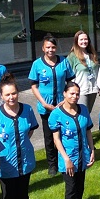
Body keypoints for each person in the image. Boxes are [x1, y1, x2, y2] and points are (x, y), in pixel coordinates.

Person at [47, 81, 94, 199]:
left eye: (77, 94)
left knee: (80, 187)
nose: (75, 96)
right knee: (71, 190)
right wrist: (66, 158)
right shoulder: (56, 114)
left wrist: (92, 149)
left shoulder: (84, 110)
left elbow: (88, 131)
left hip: (82, 156)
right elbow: (56, 139)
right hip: (69, 159)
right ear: (64, 94)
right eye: (72, 93)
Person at [29, 35, 72, 166]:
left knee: (63, 134)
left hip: (62, 105)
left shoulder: (63, 61)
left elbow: (70, 82)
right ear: (43, 48)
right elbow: (34, 86)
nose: (50, 50)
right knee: (49, 136)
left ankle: (63, 160)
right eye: (48, 47)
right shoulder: (37, 64)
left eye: (53, 47)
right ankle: (52, 164)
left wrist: (65, 100)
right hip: (45, 107)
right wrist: (43, 103)